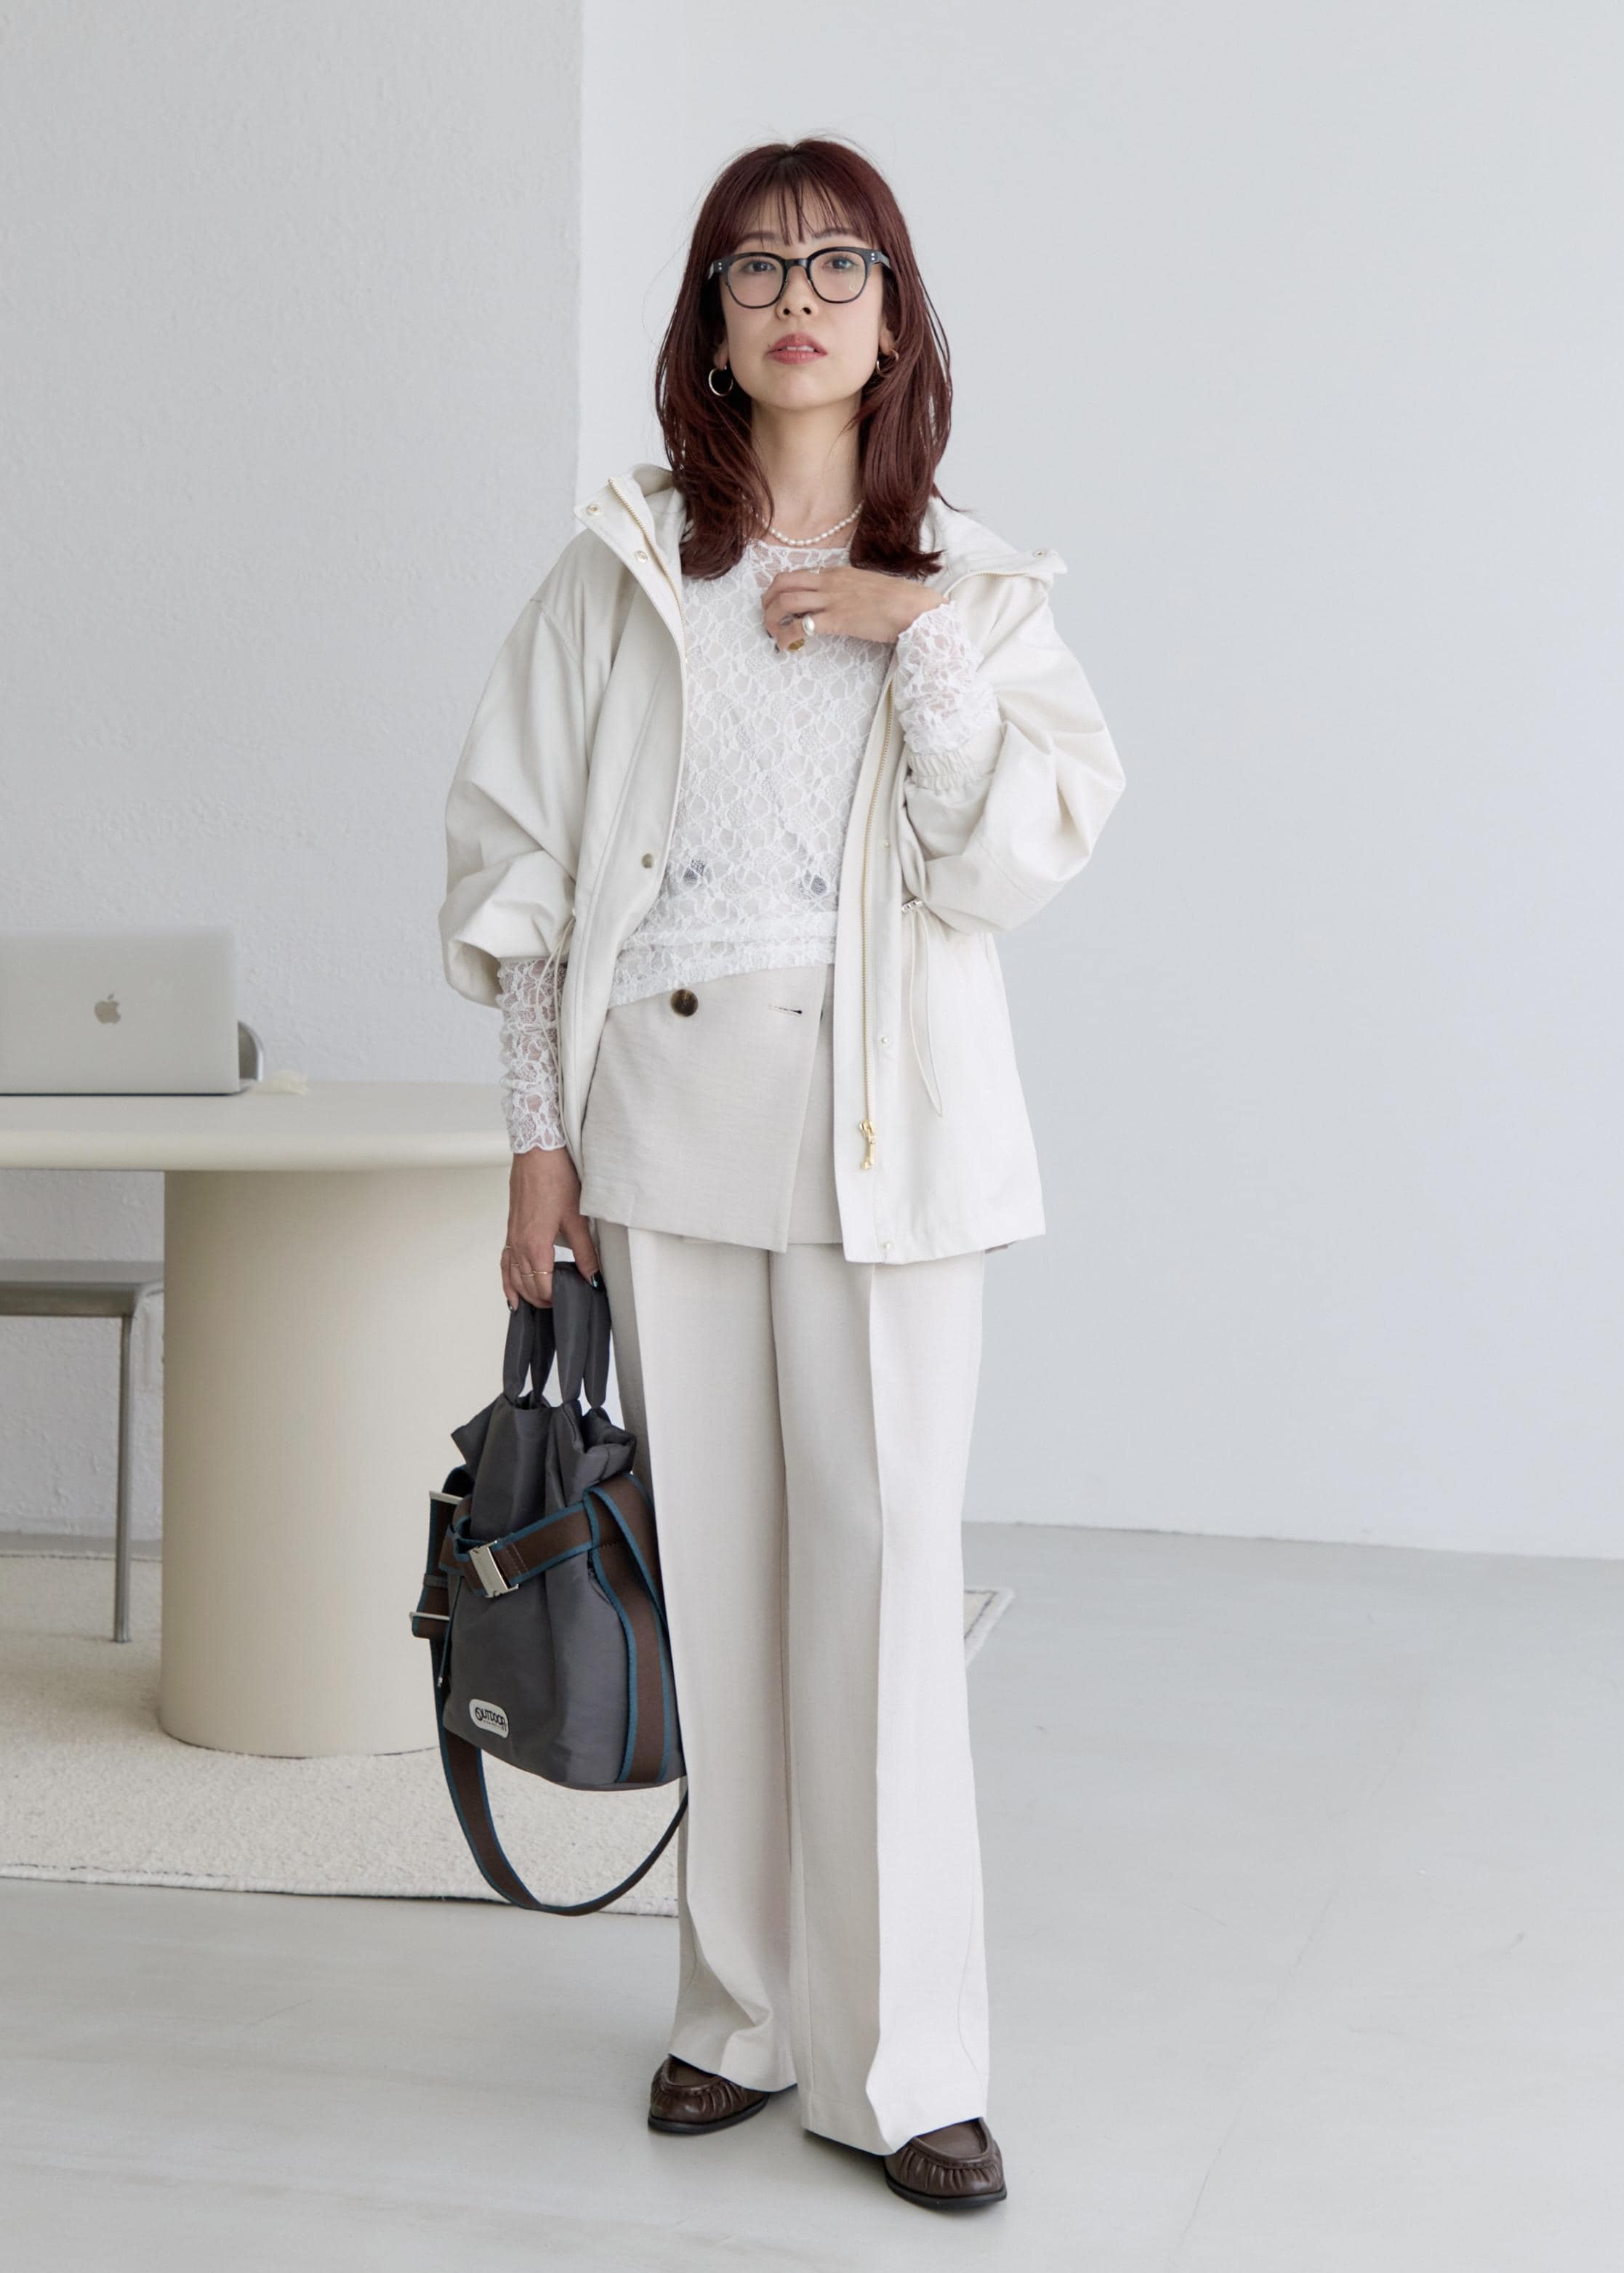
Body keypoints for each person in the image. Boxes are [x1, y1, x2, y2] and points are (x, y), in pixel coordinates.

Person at [438, 135, 1125, 2213]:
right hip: (662, 1116)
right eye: (754, 270)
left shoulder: (975, 586)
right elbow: (524, 872)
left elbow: (1001, 863)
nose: (797, 297)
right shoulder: (622, 566)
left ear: (893, 315)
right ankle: (732, 2011)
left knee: (887, 1575)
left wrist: (920, 638)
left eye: (837, 264)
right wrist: (536, 1146)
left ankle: (908, 2065)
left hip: (886, 1127)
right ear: (711, 325)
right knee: (720, 1579)